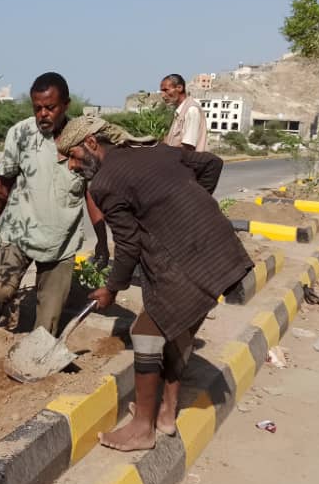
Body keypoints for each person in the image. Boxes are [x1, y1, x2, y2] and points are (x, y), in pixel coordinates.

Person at [56, 116, 252, 451]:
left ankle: (141, 428)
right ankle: (166, 413)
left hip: (188, 262)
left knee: (145, 335)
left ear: (91, 143)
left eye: (73, 156)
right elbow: (211, 164)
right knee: (177, 331)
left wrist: (111, 289)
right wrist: (188, 207)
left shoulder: (105, 183)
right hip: (223, 254)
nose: (72, 167)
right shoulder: (160, 152)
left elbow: (129, 245)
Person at [0, 72, 108, 335]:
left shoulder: (84, 141)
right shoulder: (20, 134)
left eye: (50, 107)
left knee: (46, 328)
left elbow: (90, 196)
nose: (43, 114)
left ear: (66, 105)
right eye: (37, 108)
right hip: (20, 234)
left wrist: (103, 241)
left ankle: (34, 362)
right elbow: (3, 185)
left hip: (61, 244)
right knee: (1, 292)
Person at [160, 74, 207, 152]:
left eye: (166, 90)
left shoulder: (191, 110)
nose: (163, 95)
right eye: (162, 91)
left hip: (187, 163)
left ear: (179, 88)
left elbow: (188, 146)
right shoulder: (179, 111)